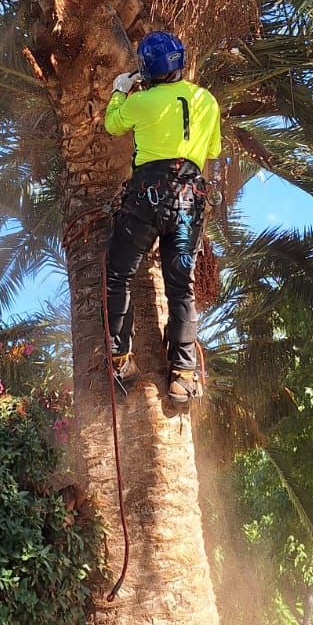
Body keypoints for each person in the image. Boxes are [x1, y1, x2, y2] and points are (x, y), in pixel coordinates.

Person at [103, 31, 222, 403]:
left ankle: (121, 360)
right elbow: (212, 149)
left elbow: (112, 124)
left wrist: (120, 91)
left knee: (118, 274)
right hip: (190, 202)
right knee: (180, 287)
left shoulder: (141, 102)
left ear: (145, 70)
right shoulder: (208, 101)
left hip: (147, 198)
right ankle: (183, 375)